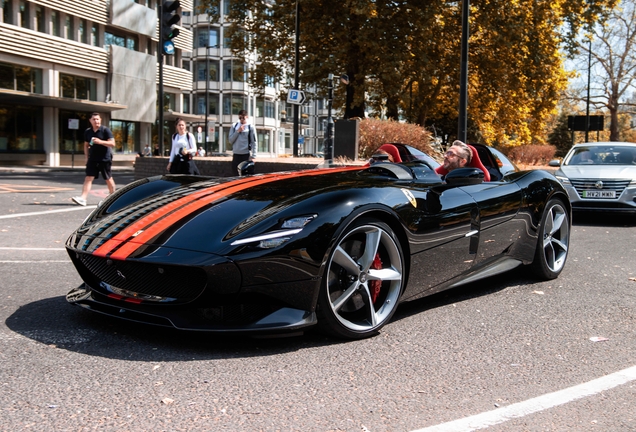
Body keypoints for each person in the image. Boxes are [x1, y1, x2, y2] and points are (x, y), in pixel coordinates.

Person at [72, 112, 116, 206]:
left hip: (104, 158)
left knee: (108, 178)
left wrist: (100, 142)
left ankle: (113, 198)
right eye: (94, 119)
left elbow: (112, 143)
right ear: (90, 120)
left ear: (100, 120)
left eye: (97, 119)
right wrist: (86, 157)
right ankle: (83, 198)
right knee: (88, 178)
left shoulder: (105, 130)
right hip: (92, 158)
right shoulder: (88, 132)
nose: (96, 121)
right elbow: (86, 145)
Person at [229, 109, 257, 175]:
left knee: (246, 175)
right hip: (236, 155)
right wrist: (238, 131)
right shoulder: (234, 126)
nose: (241, 119)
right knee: (235, 175)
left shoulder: (251, 127)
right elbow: (230, 140)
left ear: (246, 117)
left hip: (245, 155)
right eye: (240, 118)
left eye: (243, 118)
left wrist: (254, 156)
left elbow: (254, 142)